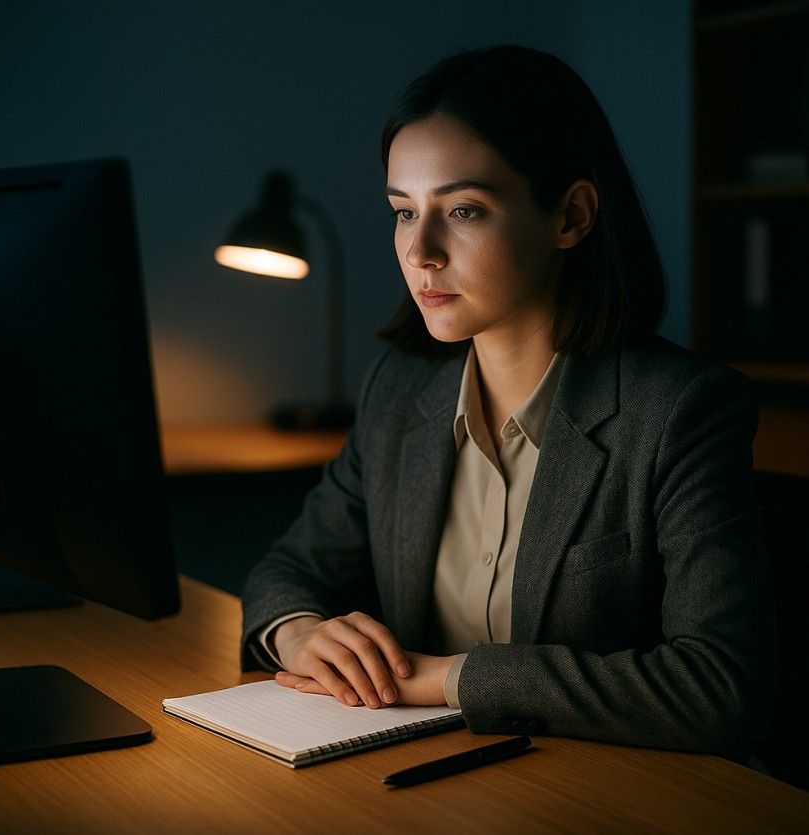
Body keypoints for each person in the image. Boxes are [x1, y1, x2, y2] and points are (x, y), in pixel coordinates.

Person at [241, 45, 775, 761]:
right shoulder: (398, 389)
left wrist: (446, 678)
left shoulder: (680, 409)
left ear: (571, 215)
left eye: (462, 209)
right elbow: (286, 569)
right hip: (409, 776)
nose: (420, 251)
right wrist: (301, 629)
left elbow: (717, 686)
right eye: (403, 212)